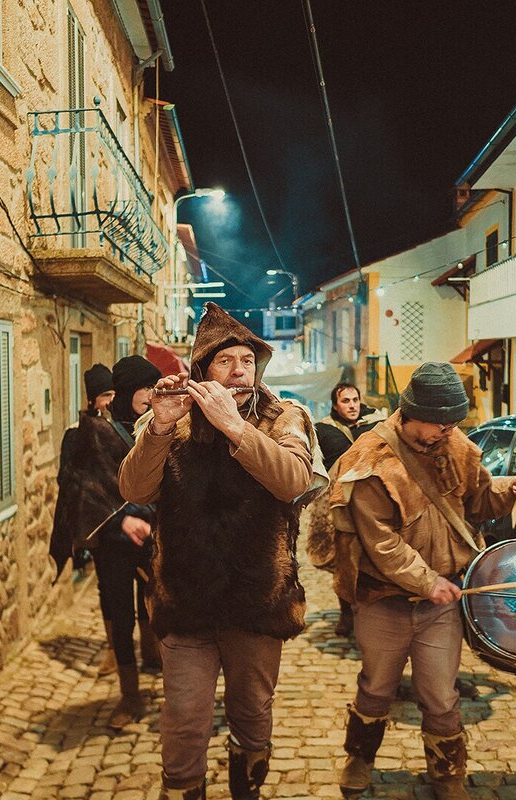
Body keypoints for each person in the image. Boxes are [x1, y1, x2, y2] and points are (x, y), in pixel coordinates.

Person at [119, 303, 326, 800]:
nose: (239, 371)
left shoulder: (283, 417)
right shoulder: (174, 420)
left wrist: (236, 427)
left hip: (258, 602)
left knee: (252, 713)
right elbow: (134, 489)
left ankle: (245, 785)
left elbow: (293, 481)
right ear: (202, 370)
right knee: (184, 718)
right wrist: (159, 427)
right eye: (225, 361)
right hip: (185, 599)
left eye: (247, 361)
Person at [329, 362, 516, 800]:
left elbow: (477, 501)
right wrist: (427, 582)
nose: (448, 431)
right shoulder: (369, 459)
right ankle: (359, 758)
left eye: (453, 423)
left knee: (441, 694)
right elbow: (382, 543)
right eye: (441, 423)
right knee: (376, 687)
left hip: (440, 604)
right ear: (413, 413)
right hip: (384, 600)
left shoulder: (455, 446)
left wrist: (509, 489)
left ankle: (447, 773)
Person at [49, 358, 162, 730]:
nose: (151, 395)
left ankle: (155, 658)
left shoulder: (157, 427)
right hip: (114, 542)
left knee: (155, 604)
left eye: (154, 387)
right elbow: (85, 488)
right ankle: (130, 697)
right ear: (127, 390)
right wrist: (121, 519)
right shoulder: (95, 432)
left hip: (152, 536)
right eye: (145, 388)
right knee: (121, 614)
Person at [313, 382, 385, 635]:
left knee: (376, 557)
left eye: (355, 400)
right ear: (335, 405)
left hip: (376, 502)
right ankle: (347, 611)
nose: (352, 405)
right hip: (340, 505)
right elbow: (316, 466)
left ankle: (376, 613)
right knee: (345, 559)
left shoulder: (377, 424)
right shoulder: (323, 430)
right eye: (346, 401)